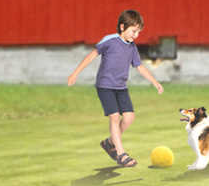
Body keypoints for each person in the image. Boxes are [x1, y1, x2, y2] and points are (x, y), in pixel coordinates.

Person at [67, 9, 164, 168]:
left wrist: (155, 81)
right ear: (122, 27)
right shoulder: (110, 40)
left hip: (121, 87)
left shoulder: (132, 47)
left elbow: (139, 67)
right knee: (114, 117)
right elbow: (92, 55)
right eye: (133, 31)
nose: (136, 35)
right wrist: (75, 73)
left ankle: (110, 142)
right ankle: (121, 154)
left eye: (138, 32)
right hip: (105, 86)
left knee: (129, 118)